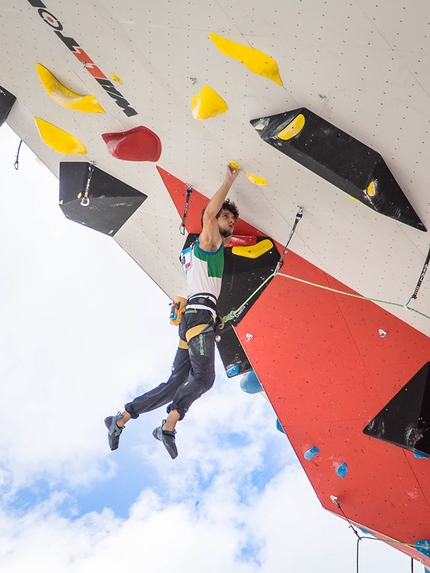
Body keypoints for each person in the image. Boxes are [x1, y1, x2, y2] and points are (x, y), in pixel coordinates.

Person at [104, 163, 240, 459]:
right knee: (204, 379)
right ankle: (167, 426)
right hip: (199, 317)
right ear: (216, 222)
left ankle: (121, 418)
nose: (231, 223)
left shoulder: (192, 254)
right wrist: (228, 180)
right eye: (227, 218)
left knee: (174, 383)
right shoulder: (209, 242)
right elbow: (208, 216)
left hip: (192, 320)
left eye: (232, 220)